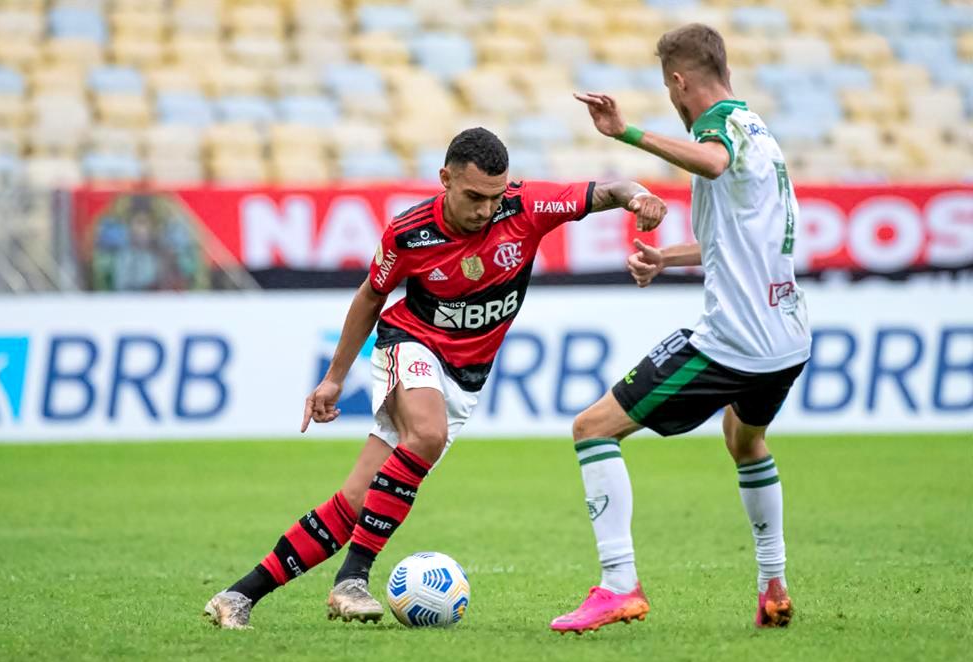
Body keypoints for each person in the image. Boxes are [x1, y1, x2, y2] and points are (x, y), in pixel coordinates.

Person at [204, 127, 668, 629]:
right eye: (473, 196)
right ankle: (352, 579)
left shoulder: (527, 207)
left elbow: (612, 188)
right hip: (409, 343)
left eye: (494, 197)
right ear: (445, 178)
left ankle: (239, 596)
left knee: (358, 502)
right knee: (426, 434)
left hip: (465, 379)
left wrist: (639, 197)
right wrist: (335, 378)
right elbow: (369, 297)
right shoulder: (409, 233)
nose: (485, 209)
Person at [551, 23, 811, 634]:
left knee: (592, 429)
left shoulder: (719, 128)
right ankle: (773, 585)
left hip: (734, 343)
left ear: (678, 80)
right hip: (788, 335)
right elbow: (739, 240)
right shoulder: (761, 132)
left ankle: (619, 587)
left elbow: (713, 162)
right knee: (745, 441)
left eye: (666, 89)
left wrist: (626, 133)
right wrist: (665, 257)